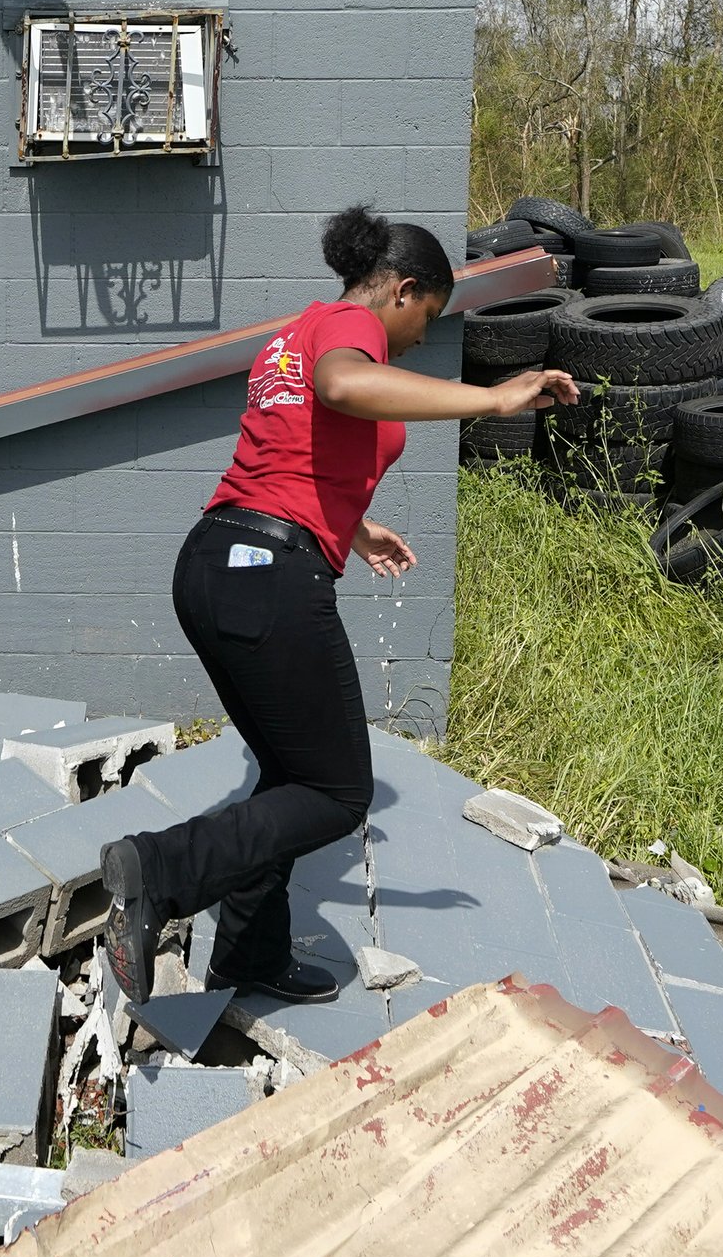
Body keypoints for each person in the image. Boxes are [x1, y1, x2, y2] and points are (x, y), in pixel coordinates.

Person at [99, 205, 577, 1004]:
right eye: (427, 317)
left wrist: (353, 529)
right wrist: (492, 401)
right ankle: (158, 869)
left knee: (291, 775)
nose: (423, 338)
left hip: (219, 559)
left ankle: (250, 954)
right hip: (266, 577)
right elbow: (346, 388)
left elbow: (291, 452)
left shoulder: (299, 331)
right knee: (336, 793)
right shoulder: (345, 336)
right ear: (403, 290)